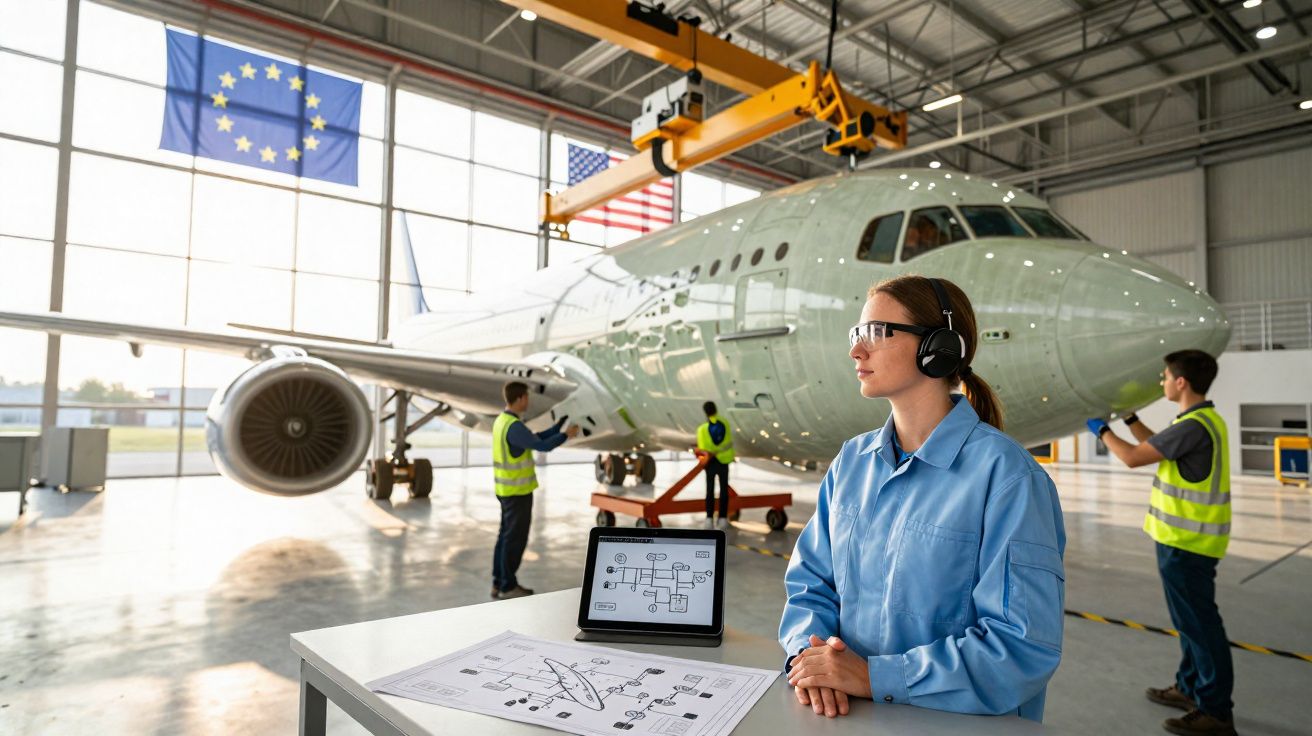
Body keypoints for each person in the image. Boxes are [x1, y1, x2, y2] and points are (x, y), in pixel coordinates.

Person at [780, 275, 1066, 722]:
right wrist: (812, 660)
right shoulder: (852, 462)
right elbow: (809, 584)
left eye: (876, 332)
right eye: (857, 334)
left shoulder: (1008, 478)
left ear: (939, 348)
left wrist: (876, 678)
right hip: (847, 718)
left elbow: (1021, 646)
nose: (857, 350)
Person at [1086, 350, 1235, 736]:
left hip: (1187, 545)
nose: (1162, 382)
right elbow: (1158, 447)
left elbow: (1135, 458)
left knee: (1201, 628)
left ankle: (1216, 711)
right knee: (1189, 624)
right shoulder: (1198, 421)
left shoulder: (1194, 424)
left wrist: (1102, 431)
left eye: (1166, 376)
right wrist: (1130, 419)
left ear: (1181, 382)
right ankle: (1189, 688)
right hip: (1185, 543)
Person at [491, 381, 579, 600]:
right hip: (517, 493)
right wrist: (566, 435)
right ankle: (508, 586)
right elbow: (543, 446)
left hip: (506, 491)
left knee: (505, 538)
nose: (528, 401)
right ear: (520, 398)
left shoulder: (503, 421)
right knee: (514, 540)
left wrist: (558, 426)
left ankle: (498, 582)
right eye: (527, 397)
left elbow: (535, 439)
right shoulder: (514, 426)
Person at [695, 401, 735, 530]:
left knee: (710, 490)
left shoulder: (702, 429)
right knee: (724, 490)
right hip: (723, 460)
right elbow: (729, 442)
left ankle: (709, 519)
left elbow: (702, 449)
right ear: (716, 410)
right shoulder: (725, 423)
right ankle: (723, 519)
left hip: (710, 463)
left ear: (705, 412)